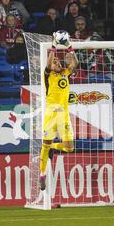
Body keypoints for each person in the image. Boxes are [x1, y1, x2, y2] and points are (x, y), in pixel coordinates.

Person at [39, 32, 78, 191]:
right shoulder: (48, 75)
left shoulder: (65, 73)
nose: (56, 62)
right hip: (50, 113)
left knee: (69, 148)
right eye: (54, 61)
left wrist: (68, 45)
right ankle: (42, 175)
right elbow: (48, 63)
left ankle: (54, 148)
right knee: (45, 144)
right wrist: (54, 45)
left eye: (57, 61)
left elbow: (74, 63)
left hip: (64, 114)